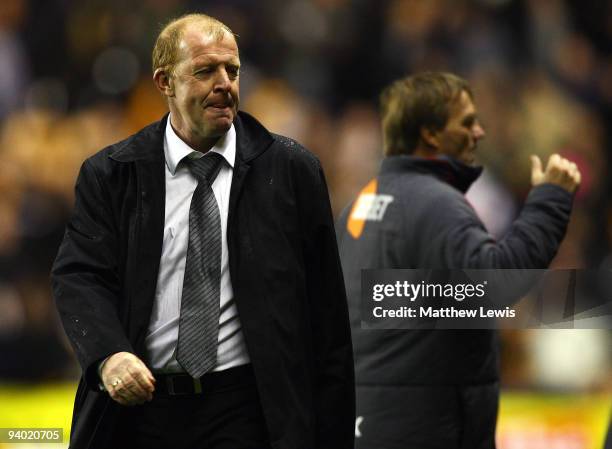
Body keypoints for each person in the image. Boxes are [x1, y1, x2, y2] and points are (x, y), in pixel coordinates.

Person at [52, 13, 354, 449]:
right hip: (141, 411)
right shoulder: (112, 174)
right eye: (205, 70)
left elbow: (328, 322)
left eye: (232, 71)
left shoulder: (290, 171)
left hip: (251, 411)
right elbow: (79, 275)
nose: (224, 84)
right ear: (164, 82)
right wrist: (108, 355)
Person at [336, 72, 580, 449]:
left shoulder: (360, 204)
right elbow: (494, 286)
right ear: (431, 134)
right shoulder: (435, 204)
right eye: (467, 122)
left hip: (367, 422)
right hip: (427, 427)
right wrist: (550, 201)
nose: (479, 132)